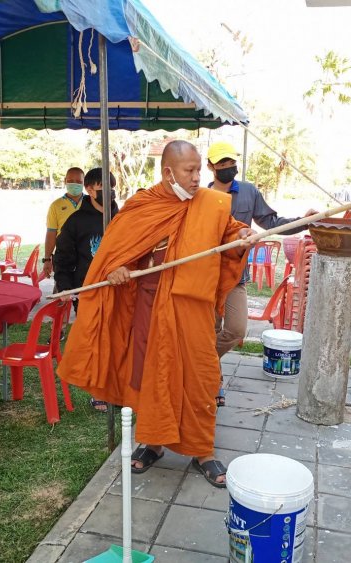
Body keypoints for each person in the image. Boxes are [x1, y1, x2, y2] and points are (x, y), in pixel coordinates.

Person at [58, 141, 255, 488]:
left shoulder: (211, 204)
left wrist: (242, 236)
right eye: (189, 171)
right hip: (150, 303)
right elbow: (116, 251)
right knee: (152, 373)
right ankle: (153, 442)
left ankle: (203, 451)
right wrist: (117, 268)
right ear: (168, 172)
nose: (197, 178)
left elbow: (230, 232)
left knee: (201, 375)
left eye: (198, 170)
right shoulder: (142, 206)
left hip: (193, 305)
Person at [207, 141, 317, 406]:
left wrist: (303, 221)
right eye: (222, 163)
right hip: (208, 276)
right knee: (209, 331)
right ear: (211, 167)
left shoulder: (248, 192)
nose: (228, 167)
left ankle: (204, 364)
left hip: (236, 277)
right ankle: (212, 382)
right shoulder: (202, 197)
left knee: (235, 330)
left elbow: (271, 222)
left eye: (231, 162)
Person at [53, 167, 119, 412]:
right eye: (103, 189)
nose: (109, 194)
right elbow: (64, 257)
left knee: (117, 338)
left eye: (112, 189)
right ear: (90, 189)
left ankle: (116, 385)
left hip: (119, 290)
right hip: (88, 291)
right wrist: (67, 286)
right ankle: (97, 390)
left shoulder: (122, 218)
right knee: (95, 340)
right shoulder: (76, 222)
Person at [43, 167, 86, 277]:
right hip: (64, 256)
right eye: (71, 181)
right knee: (63, 291)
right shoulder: (55, 206)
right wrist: (47, 259)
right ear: (65, 181)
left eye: (79, 182)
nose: (74, 184)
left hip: (87, 256)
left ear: (84, 182)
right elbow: (51, 233)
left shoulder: (91, 203)